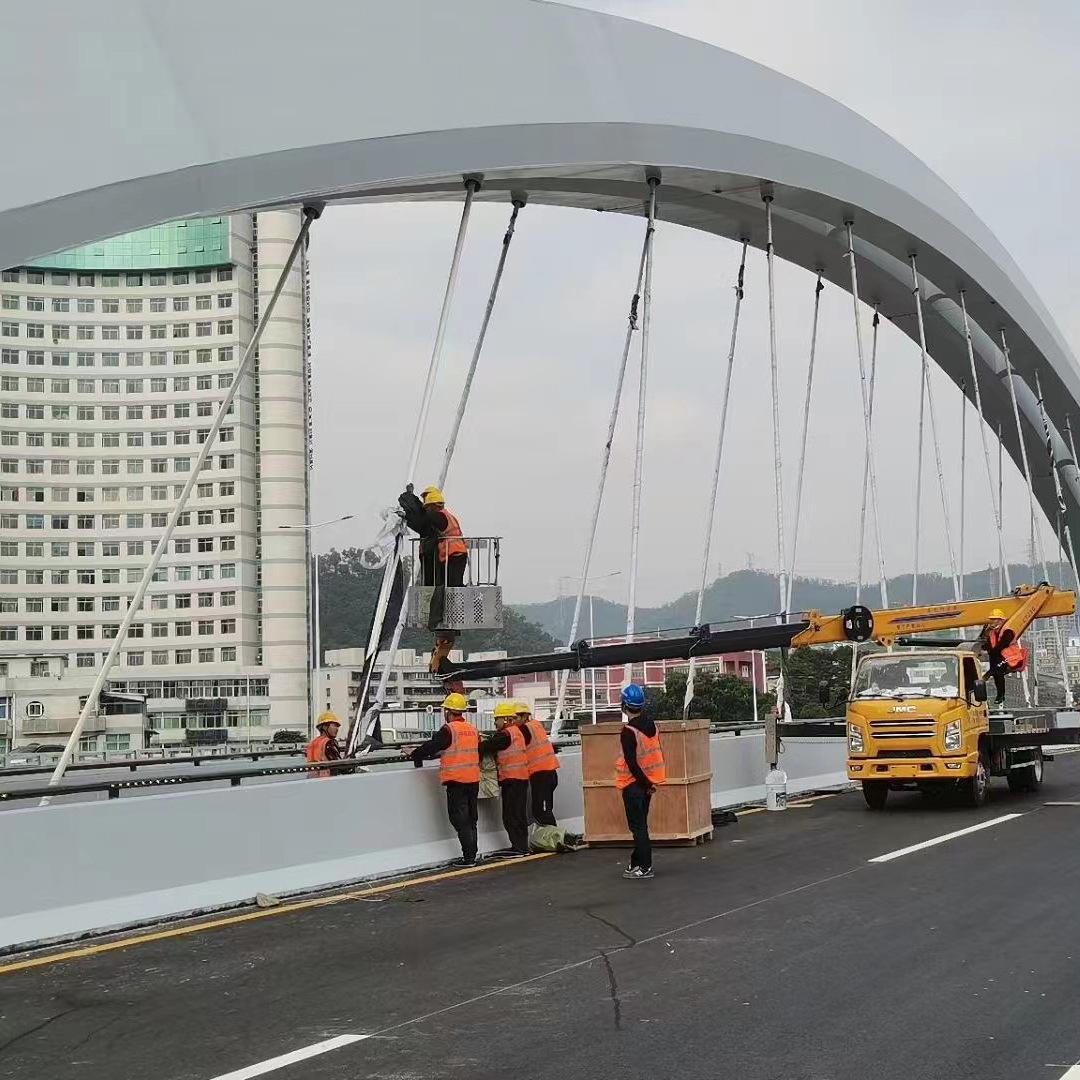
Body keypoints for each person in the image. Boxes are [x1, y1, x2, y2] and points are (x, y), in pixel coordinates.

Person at [407, 692, 481, 866]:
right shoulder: (472, 729)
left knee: (460, 820)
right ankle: (472, 854)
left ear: (447, 711)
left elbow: (432, 746)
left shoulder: (449, 730)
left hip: (457, 782)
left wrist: (414, 753)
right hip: (473, 779)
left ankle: (469, 858)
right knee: (471, 819)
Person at [614, 684, 665, 880]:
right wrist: (649, 785)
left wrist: (645, 784)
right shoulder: (652, 725)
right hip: (647, 784)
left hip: (634, 785)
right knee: (640, 825)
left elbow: (632, 764)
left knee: (638, 827)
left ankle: (644, 867)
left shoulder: (628, 731)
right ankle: (636, 862)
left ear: (624, 705)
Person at [479, 702, 530, 856]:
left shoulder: (505, 735)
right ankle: (522, 846)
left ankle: (518, 848)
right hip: (521, 778)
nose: (495, 723)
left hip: (511, 780)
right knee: (519, 814)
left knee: (510, 815)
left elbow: (485, 747)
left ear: (506, 719)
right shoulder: (517, 732)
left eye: (497, 719)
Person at [396, 484, 468, 588]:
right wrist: (410, 495)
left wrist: (406, 515)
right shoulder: (446, 515)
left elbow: (421, 523)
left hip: (453, 555)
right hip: (455, 554)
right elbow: (422, 518)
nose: (426, 509)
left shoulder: (437, 516)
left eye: (427, 506)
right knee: (449, 584)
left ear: (433, 505)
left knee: (451, 586)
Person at [515, 701, 560, 826]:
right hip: (549, 773)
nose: (514, 721)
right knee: (542, 810)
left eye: (516, 718)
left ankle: (553, 836)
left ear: (525, 716)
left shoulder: (524, 729)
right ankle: (551, 834)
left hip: (541, 774)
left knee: (542, 812)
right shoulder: (536, 724)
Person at [979, 608, 1027, 705]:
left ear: (1001, 620)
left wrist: (991, 651)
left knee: (997, 671)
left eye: (995, 619)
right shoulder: (992, 633)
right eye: (992, 619)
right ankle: (999, 694)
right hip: (998, 658)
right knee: (996, 674)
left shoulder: (1008, 631)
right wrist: (983, 641)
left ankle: (999, 693)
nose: (993, 621)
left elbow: (1001, 646)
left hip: (1010, 657)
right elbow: (989, 645)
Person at [305, 711, 342, 779]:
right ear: (325, 727)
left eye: (337, 726)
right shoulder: (329, 742)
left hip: (312, 779)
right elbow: (337, 764)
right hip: (327, 779)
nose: (337, 729)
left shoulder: (312, 742)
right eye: (334, 725)